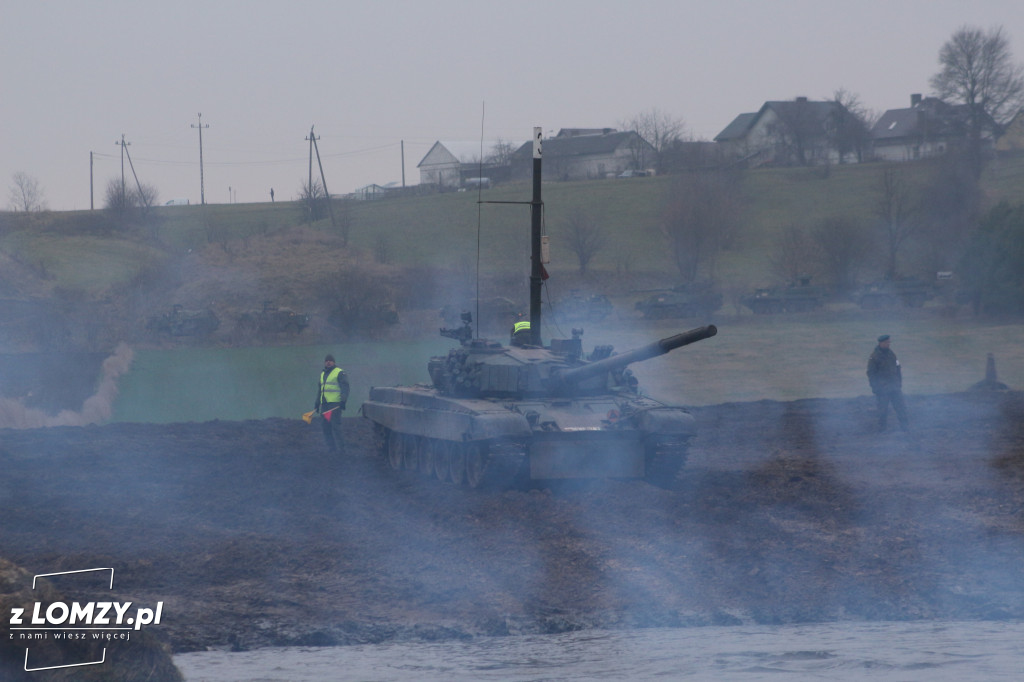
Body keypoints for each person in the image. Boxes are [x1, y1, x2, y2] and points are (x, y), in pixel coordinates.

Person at [866, 334, 909, 432]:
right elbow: (871, 373)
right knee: (882, 410)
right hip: (882, 389)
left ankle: (905, 427)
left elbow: (898, 368)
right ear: (881, 343)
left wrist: (899, 383)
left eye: (889, 342)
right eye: (886, 342)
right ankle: (882, 429)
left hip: (895, 387)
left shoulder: (892, 354)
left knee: (901, 408)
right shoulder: (874, 357)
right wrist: (875, 388)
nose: (888, 344)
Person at [315, 354, 350, 452]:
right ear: (324, 362)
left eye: (330, 360)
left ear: (334, 362)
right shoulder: (323, 374)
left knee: (336, 427)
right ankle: (332, 449)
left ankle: (342, 449)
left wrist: (343, 401)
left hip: (334, 404)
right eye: (326, 361)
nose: (328, 362)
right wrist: (317, 403)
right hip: (325, 405)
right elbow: (320, 390)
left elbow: (345, 388)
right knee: (325, 427)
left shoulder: (339, 373)